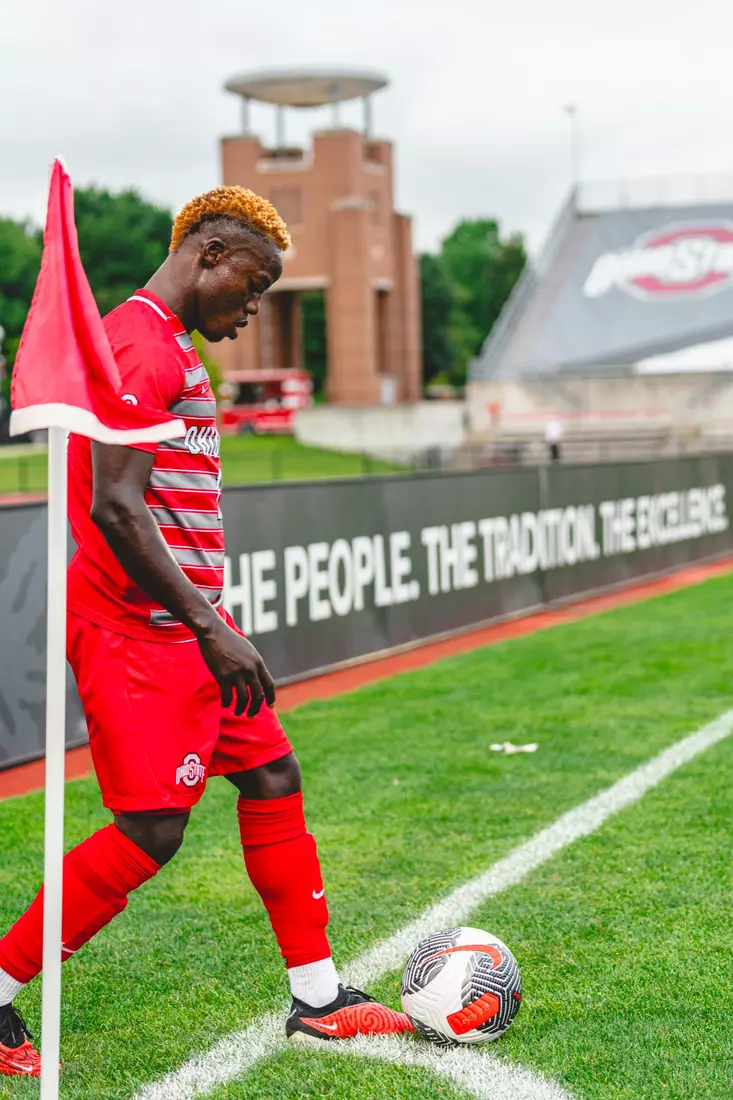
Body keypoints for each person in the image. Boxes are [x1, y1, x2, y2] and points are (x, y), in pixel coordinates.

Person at [0, 187, 411, 1077]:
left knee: (271, 772)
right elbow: (115, 505)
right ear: (209, 256)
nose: (254, 310)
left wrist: (208, 622)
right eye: (253, 288)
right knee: (150, 832)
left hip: (186, 627)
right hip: (140, 633)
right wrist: (205, 625)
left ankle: (317, 999)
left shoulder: (165, 343)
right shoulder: (140, 346)